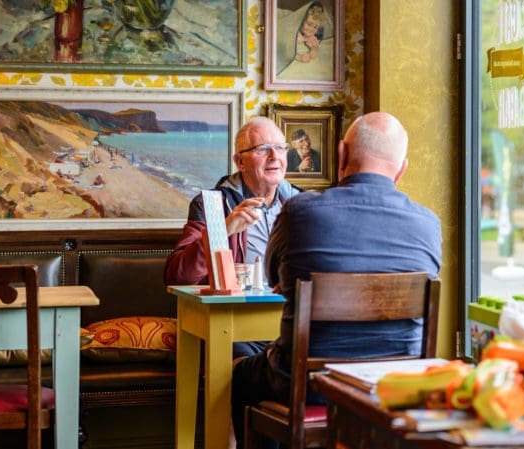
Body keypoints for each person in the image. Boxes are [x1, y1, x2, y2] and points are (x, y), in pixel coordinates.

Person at [230, 112, 442, 449]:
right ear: (402, 169)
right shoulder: (429, 224)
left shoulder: (300, 211)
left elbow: (273, 278)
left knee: (240, 374)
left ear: (341, 154)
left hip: (310, 383)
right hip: (393, 385)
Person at [163, 116, 301, 358]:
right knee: (238, 361)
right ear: (240, 162)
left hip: (291, 320)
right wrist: (223, 229)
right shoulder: (212, 205)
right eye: (263, 149)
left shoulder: (301, 205)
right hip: (236, 323)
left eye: (280, 148)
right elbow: (177, 276)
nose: (274, 156)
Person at [276, 1, 335, 81]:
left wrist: (313, 51)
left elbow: (314, 52)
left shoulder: (313, 38)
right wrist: (299, 57)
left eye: (315, 27)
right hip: (292, 58)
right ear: (301, 21)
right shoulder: (295, 33)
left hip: (304, 59)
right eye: (309, 24)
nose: (311, 29)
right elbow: (285, 49)